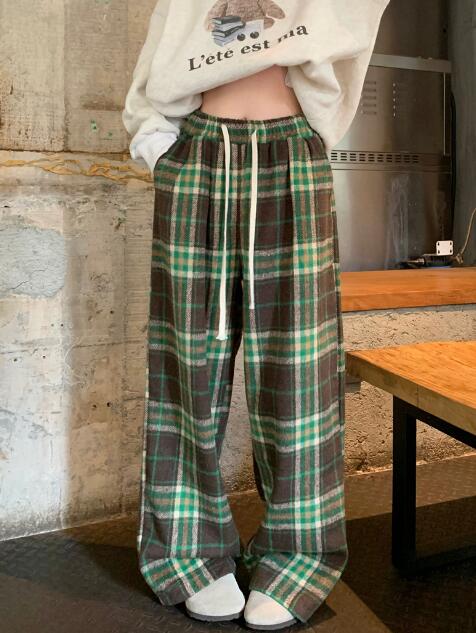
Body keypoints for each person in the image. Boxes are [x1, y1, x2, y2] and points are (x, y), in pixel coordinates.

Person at [122, 0, 390, 629]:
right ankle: (189, 552)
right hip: (199, 155)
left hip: (291, 153)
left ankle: (298, 556)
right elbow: (158, 59)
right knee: (187, 366)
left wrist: (316, 136)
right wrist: (161, 151)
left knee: (300, 376)